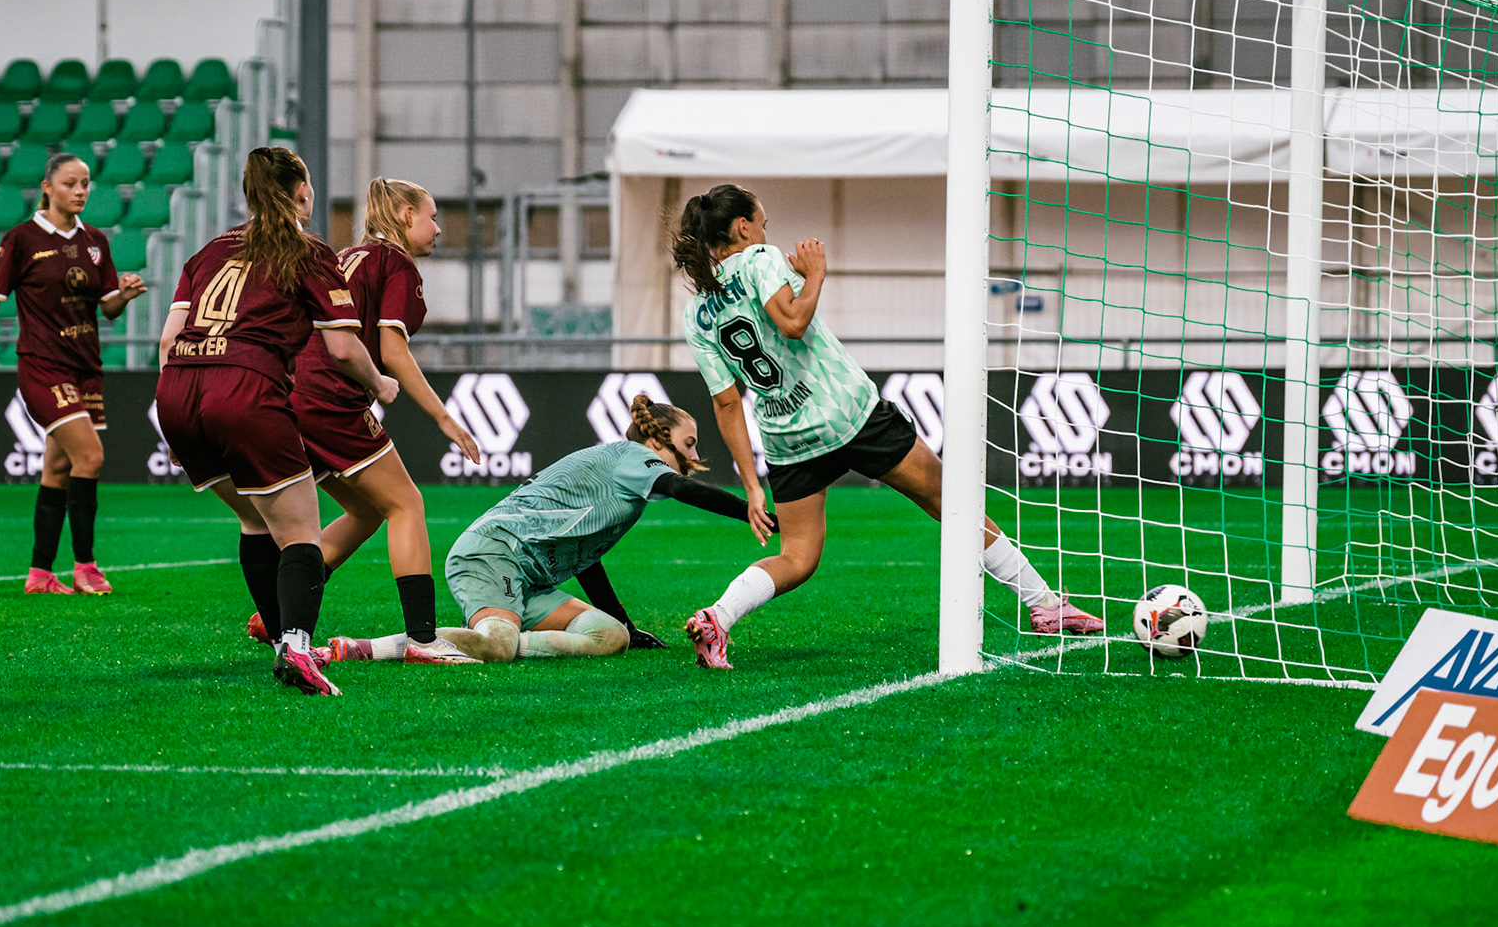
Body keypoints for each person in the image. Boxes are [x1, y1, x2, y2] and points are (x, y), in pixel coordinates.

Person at [670, 184, 1103, 669]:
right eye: (763, 224)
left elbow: (728, 405)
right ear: (743, 228)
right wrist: (815, 274)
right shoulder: (760, 259)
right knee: (950, 501)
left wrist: (752, 486)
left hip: (786, 438)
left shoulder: (696, 312)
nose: (768, 232)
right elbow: (792, 322)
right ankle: (1044, 606)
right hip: (846, 413)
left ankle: (718, 617)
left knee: (797, 557)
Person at [154, 148, 421, 696]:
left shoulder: (208, 251)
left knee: (256, 521)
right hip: (243, 386)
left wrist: (175, 421)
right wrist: (380, 385)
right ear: (302, 192)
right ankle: (297, 647)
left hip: (177, 388)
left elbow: (165, 341)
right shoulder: (307, 251)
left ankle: (281, 642)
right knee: (299, 529)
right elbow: (344, 346)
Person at [253, 176, 483, 665]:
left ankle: (276, 610)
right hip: (331, 399)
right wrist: (444, 418)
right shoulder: (395, 263)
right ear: (404, 216)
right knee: (407, 505)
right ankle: (422, 640)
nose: (438, 228)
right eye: (432, 216)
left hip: (295, 395)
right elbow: (392, 350)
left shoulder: (346, 256)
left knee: (367, 509)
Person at [407, 394, 771, 664]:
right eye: (688, 444)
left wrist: (627, 627)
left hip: (528, 579)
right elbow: (681, 488)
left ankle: (497, 634)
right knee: (498, 646)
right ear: (658, 441)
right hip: (493, 554)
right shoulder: (633, 457)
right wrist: (752, 511)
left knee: (609, 637)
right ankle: (368, 647)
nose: (692, 456)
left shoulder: (624, 480)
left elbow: (586, 560)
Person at [0, 151, 147, 594]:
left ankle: (40, 573)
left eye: (86, 183)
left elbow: (105, 309)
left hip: (87, 367)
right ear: (47, 187)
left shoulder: (96, 242)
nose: (81, 191)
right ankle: (85, 566)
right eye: (70, 183)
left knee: (59, 466)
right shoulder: (22, 239)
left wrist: (123, 295)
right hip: (43, 366)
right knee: (90, 456)